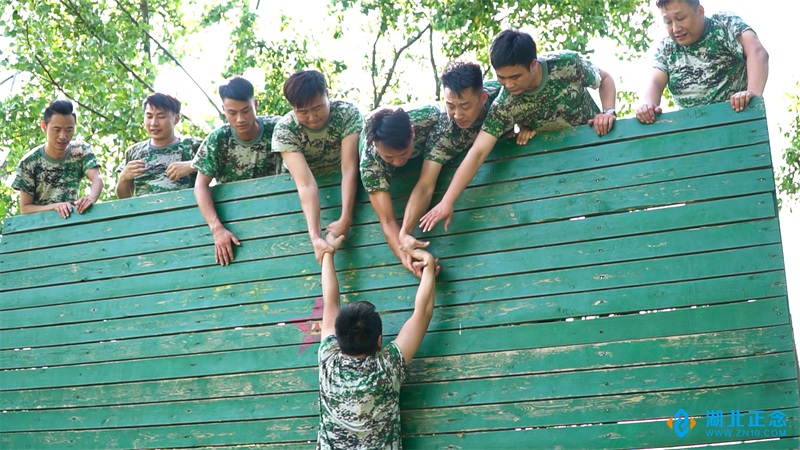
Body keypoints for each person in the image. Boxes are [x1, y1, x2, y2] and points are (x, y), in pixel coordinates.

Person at [419, 29, 617, 233]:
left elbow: (605, 80)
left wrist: (608, 112)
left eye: (515, 77)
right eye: (501, 78)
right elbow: (477, 153)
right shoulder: (505, 103)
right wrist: (447, 201)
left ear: (533, 64)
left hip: (596, 152)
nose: (508, 84)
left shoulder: (567, 63)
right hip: (559, 168)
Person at [317, 230, 437, 449]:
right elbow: (424, 312)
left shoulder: (328, 360)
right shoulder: (387, 367)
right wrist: (428, 264)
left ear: (338, 336)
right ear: (379, 341)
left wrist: (328, 253)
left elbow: (330, 302)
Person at [396, 59, 501, 273]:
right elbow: (425, 185)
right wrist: (404, 233)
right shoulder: (443, 132)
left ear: (482, 97)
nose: (457, 114)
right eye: (450, 106)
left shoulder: (501, 93)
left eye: (465, 106)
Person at [272, 70, 362, 264]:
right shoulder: (285, 130)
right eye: (302, 112)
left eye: (317, 108)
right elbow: (305, 184)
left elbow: (349, 168)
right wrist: (315, 236)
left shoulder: (347, 113)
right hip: (300, 200)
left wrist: (346, 217)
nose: (312, 117)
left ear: (327, 94)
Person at [191, 76, 282, 266]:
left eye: (246, 111)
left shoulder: (279, 128)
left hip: (278, 215)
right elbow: (200, 185)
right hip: (235, 223)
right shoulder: (217, 140)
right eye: (232, 112)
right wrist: (217, 229)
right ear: (224, 110)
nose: (240, 119)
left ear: (255, 104)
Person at [636, 0, 769, 124]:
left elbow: (756, 52)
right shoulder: (667, 47)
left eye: (681, 18)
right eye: (668, 22)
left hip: (736, 120)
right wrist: (648, 105)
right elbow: (655, 81)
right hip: (693, 133)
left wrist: (752, 94)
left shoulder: (723, 24)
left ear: (700, 12)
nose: (676, 28)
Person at [360, 104, 441, 275]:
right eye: (388, 157)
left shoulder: (429, 117)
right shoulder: (369, 163)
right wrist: (410, 260)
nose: (398, 162)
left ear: (412, 133)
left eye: (403, 153)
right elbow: (387, 221)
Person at [12, 99, 103, 218]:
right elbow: (25, 208)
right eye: (57, 130)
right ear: (44, 126)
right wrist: (55, 206)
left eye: (69, 130)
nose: (63, 136)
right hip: (40, 226)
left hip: (71, 221)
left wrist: (90, 199)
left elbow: (97, 178)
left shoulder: (81, 150)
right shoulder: (29, 162)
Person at [116, 93, 200, 199]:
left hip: (186, 211)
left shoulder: (193, 146)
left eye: (161, 117)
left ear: (176, 118)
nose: (154, 123)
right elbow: (124, 199)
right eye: (149, 117)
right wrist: (124, 178)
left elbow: (220, 165)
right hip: (146, 213)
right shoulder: (134, 152)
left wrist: (191, 165)